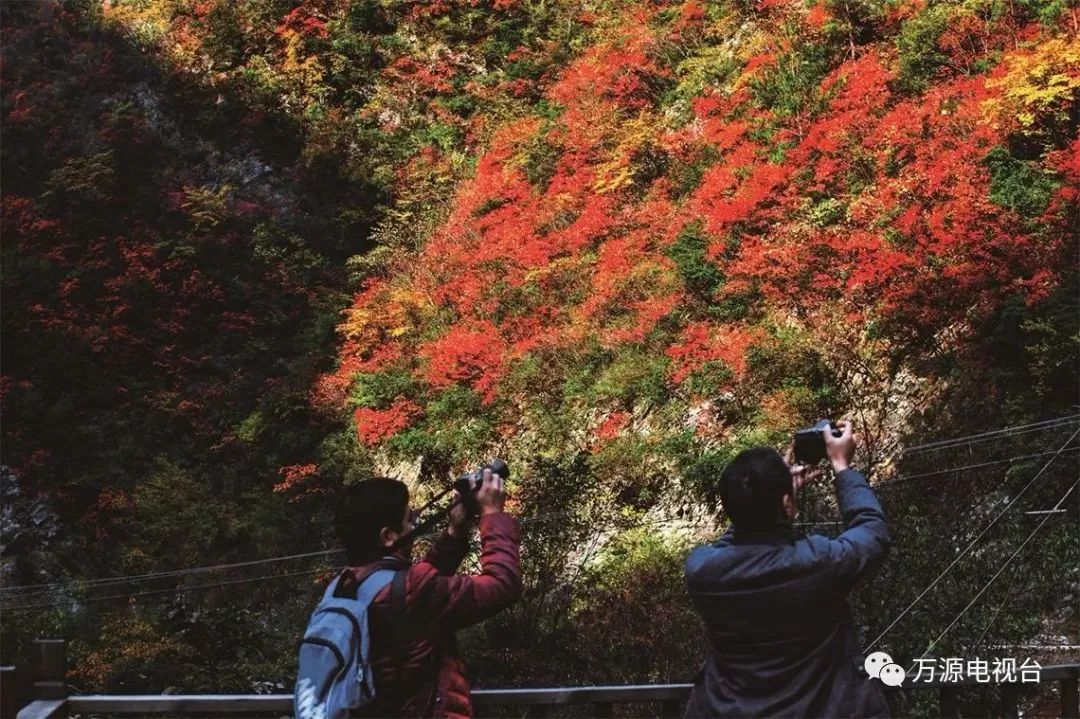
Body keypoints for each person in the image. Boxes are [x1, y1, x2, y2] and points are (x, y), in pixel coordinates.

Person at [684, 420, 892, 718]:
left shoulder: (701, 571)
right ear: (787, 504)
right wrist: (842, 467)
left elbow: (741, 534)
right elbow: (872, 532)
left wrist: (764, 502)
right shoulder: (818, 562)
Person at [331, 468, 521, 718]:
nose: (415, 524)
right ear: (388, 536)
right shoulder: (412, 590)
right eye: (410, 519)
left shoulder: (344, 586)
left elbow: (407, 594)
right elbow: (502, 584)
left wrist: (455, 533)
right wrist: (493, 514)